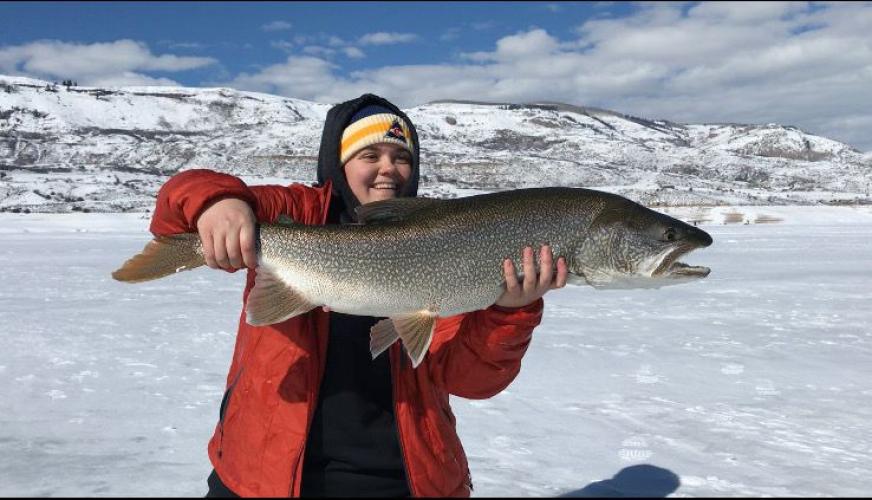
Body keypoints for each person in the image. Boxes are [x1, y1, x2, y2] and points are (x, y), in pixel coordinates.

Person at [148, 93, 568, 497]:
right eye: (370, 156)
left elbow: (469, 380)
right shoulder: (296, 211)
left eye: (401, 157)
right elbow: (180, 197)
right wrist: (218, 202)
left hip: (402, 479)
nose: (389, 169)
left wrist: (510, 312)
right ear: (340, 163)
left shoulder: (446, 241)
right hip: (262, 475)